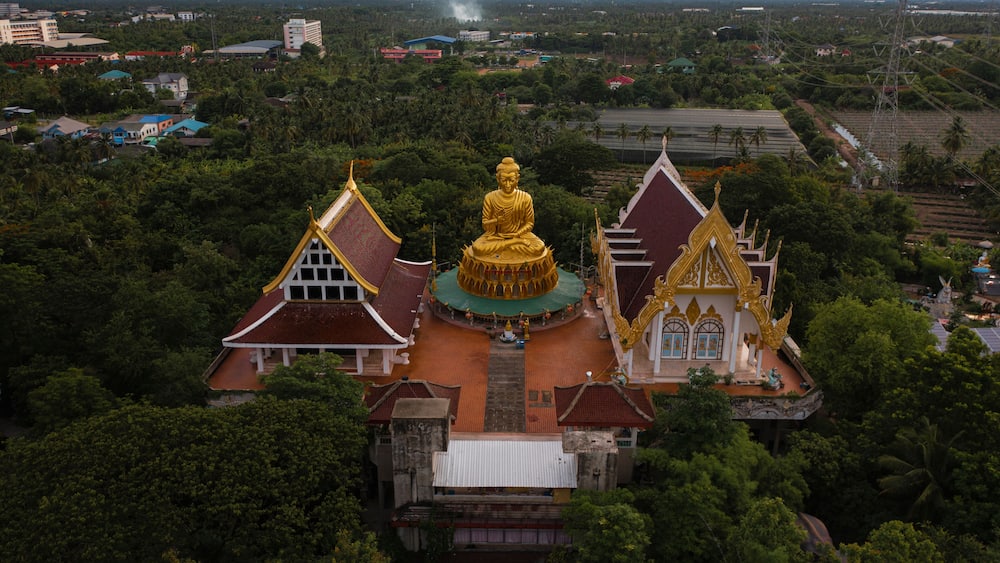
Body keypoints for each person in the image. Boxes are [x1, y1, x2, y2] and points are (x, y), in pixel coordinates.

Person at [471, 157, 546, 258]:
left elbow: (529, 223)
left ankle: (511, 243)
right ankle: (513, 243)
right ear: (498, 179)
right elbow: (485, 223)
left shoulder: (525, 197)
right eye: (503, 180)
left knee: (538, 248)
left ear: (517, 178)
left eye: (511, 180)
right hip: (496, 236)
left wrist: (516, 234)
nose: (507, 185)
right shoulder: (490, 197)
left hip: (519, 235)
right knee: (478, 248)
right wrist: (496, 221)